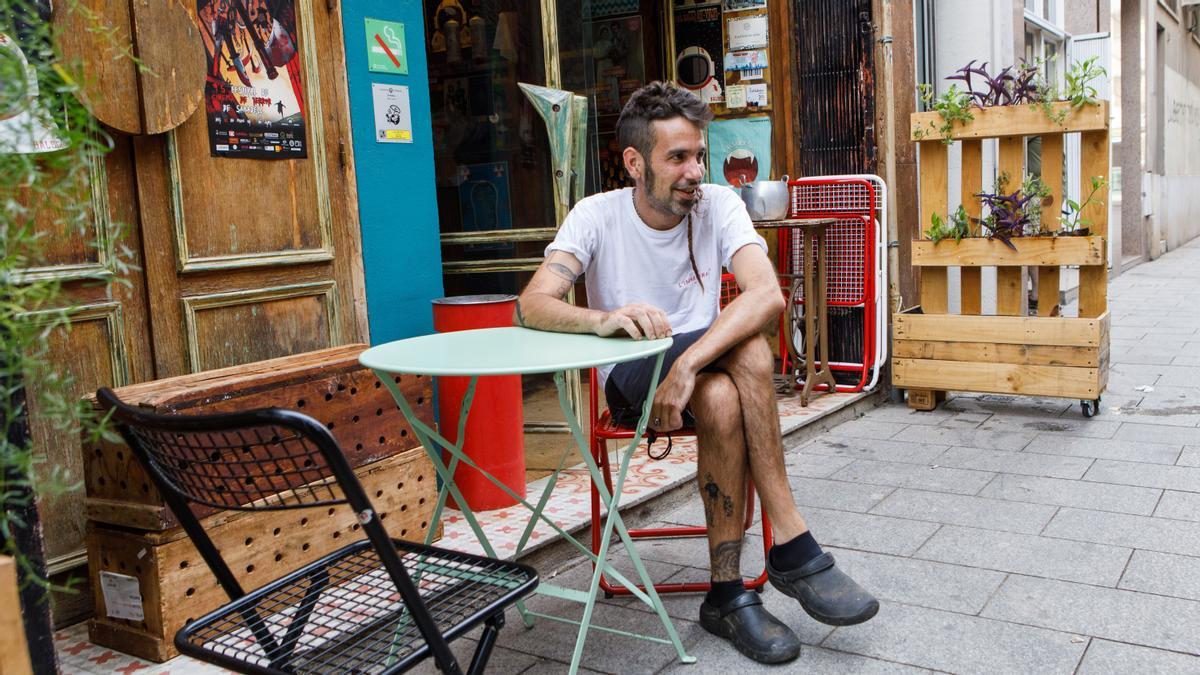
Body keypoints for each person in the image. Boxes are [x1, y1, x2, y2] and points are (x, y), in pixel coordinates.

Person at [514, 81, 879, 664]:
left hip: (701, 367)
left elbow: (766, 296)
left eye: (699, 154)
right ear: (635, 162)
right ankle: (791, 544)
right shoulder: (596, 215)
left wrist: (687, 364)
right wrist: (603, 319)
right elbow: (532, 304)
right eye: (676, 157)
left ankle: (728, 597)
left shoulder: (719, 203)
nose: (694, 170)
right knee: (753, 352)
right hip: (633, 378)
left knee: (724, 392)